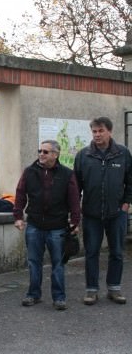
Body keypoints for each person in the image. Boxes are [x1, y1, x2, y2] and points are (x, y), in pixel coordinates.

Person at [13, 140, 81, 310]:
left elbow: (74, 199)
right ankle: (33, 294)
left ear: (55, 155)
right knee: (33, 262)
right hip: (35, 225)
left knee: (58, 263)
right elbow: (20, 193)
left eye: (45, 151)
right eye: (40, 151)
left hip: (57, 227)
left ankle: (59, 298)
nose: (41, 154)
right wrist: (18, 216)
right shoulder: (30, 172)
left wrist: (75, 221)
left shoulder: (67, 174)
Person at [74, 117, 132, 305]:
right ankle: (91, 290)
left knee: (116, 252)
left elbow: (130, 181)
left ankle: (114, 288)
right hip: (91, 215)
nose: (97, 135)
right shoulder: (84, 155)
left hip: (117, 213)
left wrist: (126, 204)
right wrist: (77, 209)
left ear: (110, 131)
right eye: (94, 131)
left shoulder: (122, 153)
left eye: (101, 131)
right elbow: (75, 186)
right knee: (91, 252)